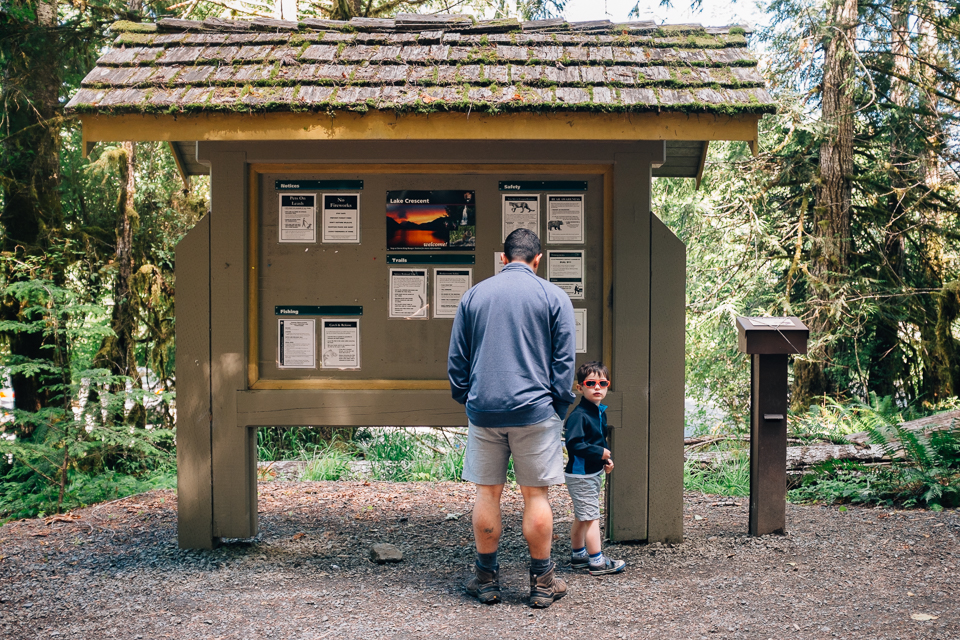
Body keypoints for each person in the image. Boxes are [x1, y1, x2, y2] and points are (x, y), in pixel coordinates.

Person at [448, 228, 576, 609]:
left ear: (503, 259)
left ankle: (486, 581)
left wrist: (469, 399)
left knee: (487, 492)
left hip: (485, 410)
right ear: (538, 260)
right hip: (536, 412)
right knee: (535, 494)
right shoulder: (554, 296)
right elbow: (564, 363)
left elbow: (458, 359)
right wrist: (556, 407)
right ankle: (541, 583)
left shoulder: (474, 295)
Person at [564, 361, 626, 576]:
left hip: (591, 472)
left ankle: (578, 555)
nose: (597, 387)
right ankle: (597, 561)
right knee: (591, 517)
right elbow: (574, 444)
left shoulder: (599, 412)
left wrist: (605, 460)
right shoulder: (579, 415)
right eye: (591, 383)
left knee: (583, 516)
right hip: (581, 474)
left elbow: (599, 440)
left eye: (602, 383)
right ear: (580, 388)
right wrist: (599, 453)